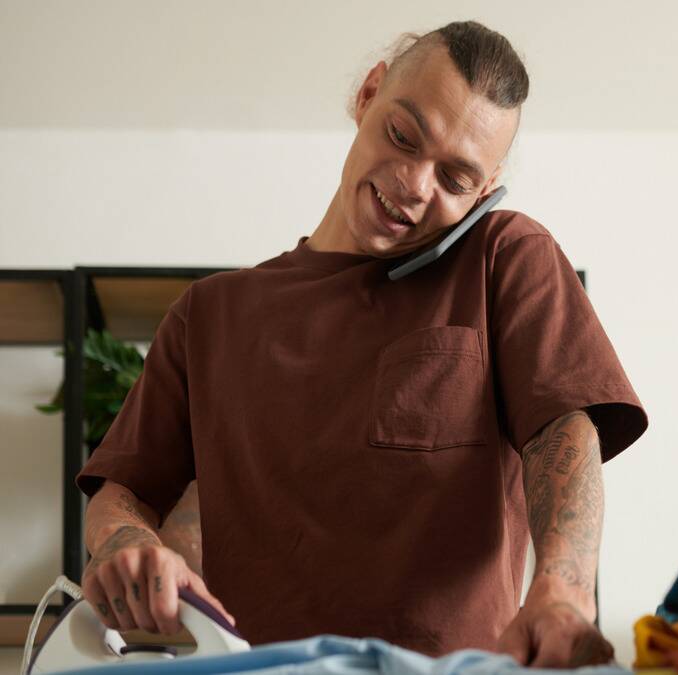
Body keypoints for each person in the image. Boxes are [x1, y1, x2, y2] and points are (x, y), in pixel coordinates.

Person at [74, 20, 648, 669]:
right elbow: (119, 488)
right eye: (404, 136)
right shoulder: (209, 314)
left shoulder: (503, 257)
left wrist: (563, 591)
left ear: (485, 193)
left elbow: (562, 427)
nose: (413, 183)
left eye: (456, 179)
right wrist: (127, 540)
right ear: (370, 92)